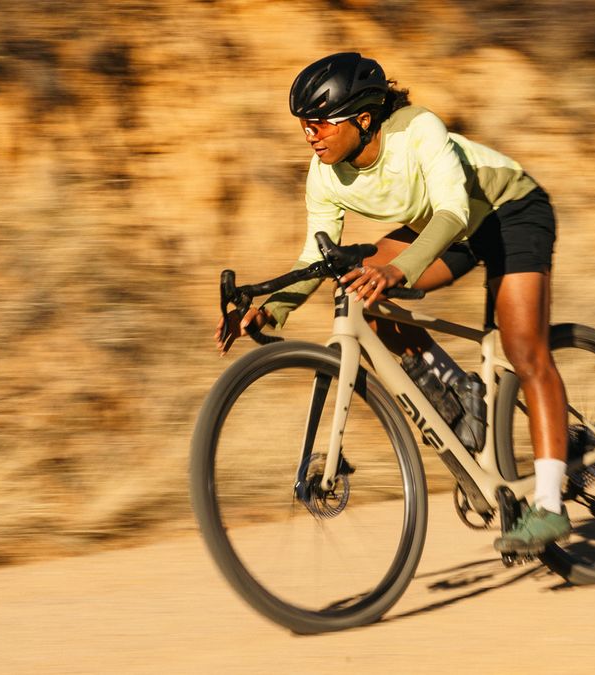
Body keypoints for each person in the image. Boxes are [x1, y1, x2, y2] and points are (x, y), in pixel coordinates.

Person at [215, 52, 571, 554]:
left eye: (320, 123)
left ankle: (551, 507)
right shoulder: (324, 174)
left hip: (507, 211)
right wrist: (273, 308)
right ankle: (464, 400)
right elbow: (311, 254)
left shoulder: (417, 130)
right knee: (361, 293)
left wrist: (398, 268)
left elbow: (450, 211)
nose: (311, 136)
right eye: (304, 126)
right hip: (447, 228)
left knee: (523, 347)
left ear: (363, 119)